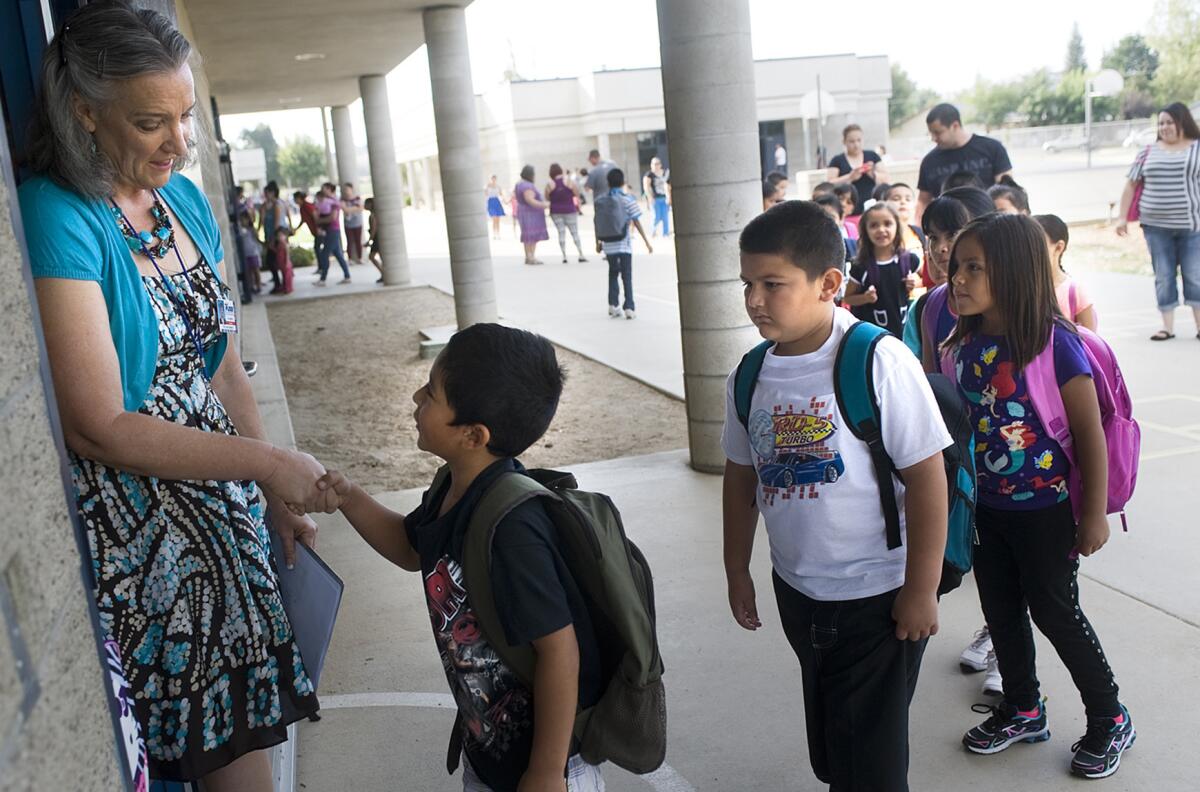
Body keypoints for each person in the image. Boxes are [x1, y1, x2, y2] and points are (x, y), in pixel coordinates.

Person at [19, 3, 326, 788]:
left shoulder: (183, 203)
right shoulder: (59, 216)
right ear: (84, 113)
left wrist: (268, 490)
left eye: (186, 115)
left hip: (223, 513)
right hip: (149, 542)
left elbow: (223, 363)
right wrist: (264, 460)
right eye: (153, 122)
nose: (181, 142)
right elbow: (97, 425)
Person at [306, 323, 605, 792]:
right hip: (488, 750)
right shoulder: (451, 485)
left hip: (545, 767)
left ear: (473, 435)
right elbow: (411, 549)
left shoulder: (512, 529)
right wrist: (349, 497)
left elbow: (559, 652)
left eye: (431, 394)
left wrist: (546, 773)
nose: (415, 397)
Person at [724, 200, 950, 792]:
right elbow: (741, 473)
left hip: (878, 596)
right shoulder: (749, 374)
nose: (753, 300)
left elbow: (928, 478)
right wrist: (736, 568)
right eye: (748, 283)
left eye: (773, 284)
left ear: (829, 284)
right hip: (797, 587)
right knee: (834, 747)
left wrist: (921, 590)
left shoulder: (878, 360)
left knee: (868, 766)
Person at [945, 214, 1134, 779]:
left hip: (1047, 511)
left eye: (973, 267)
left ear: (1017, 272)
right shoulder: (965, 344)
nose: (957, 278)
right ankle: (1023, 708)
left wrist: (1094, 513)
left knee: (1056, 612)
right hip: (989, 509)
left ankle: (1109, 717)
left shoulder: (1056, 346)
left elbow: (1089, 433)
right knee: (1000, 610)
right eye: (957, 266)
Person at [1117, 101, 1200, 341]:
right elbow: (1130, 185)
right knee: (1163, 276)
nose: (1164, 127)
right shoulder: (1147, 152)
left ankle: (1198, 326)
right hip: (1155, 226)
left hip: (1192, 226)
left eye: (1169, 122)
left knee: (1194, 275)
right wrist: (1122, 217)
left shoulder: (1196, 149)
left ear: (1182, 122)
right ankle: (1167, 327)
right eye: (1161, 123)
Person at [917, 104, 1013, 220]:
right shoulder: (929, 161)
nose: (933, 138)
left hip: (989, 222)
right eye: (931, 133)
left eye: (937, 132)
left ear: (955, 126)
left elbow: (1006, 190)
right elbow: (923, 202)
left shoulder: (992, 148)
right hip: (949, 228)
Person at [843, 203, 919, 337]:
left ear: (897, 226)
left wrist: (913, 283)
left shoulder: (908, 260)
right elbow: (848, 298)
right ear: (865, 231)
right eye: (874, 225)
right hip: (871, 335)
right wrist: (865, 298)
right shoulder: (861, 266)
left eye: (887, 224)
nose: (881, 229)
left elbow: (927, 280)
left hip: (902, 332)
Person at [595, 168, 652, 319]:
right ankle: (629, 307)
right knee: (626, 275)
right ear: (622, 182)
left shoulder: (600, 200)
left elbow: (597, 222)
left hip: (608, 245)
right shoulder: (627, 199)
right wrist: (647, 242)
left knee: (613, 273)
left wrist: (598, 242)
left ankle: (613, 305)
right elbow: (636, 221)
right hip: (624, 245)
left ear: (608, 183)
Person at [1035, 214, 1098, 331]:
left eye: (1037, 244)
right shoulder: (1021, 288)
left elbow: (1090, 343)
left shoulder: (1074, 291)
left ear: (1059, 247)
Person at [827, 124, 888, 214]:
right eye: (852, 141)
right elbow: (829, 184)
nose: (856, 145)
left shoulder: (873, 156)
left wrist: (872, 174)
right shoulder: (837, 160)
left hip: (871, 207)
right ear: (844, 142)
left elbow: (886, 179)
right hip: (847, 209)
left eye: (859, 140)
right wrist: (850, 177)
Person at [545, 163, 586, 263]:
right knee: (574, 232)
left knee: (561, 233)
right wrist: (579, 206)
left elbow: (547, 198)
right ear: (560, 171)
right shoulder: (569, 181)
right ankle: (581, 254)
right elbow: (576, 194)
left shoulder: (549, 184)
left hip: (555, 211)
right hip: (569, 210)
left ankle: (564, 256)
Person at [259, 180, 294, 294]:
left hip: (277, 236)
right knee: (274, 261)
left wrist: (272, 239)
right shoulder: (270, 205)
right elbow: (263, 221)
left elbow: (277, 223)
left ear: (272, 192)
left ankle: (283, 284)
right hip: (273, 236)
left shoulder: (277, 204)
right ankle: (281, 284)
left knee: (277, 261)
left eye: (267, 193)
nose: (265, 196)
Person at [315, 182, 351, 285]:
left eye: (324, 188)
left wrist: (319, 221)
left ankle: (323, 279)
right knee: (338, 255)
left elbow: (332, 217)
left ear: (329, 189)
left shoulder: (334, 202)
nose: (322, 191)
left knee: (324, 254)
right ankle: (347, 276)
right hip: (330, 231)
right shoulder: (328, 201)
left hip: (332, 230)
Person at [885, 183, 926, 273]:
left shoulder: (919, 233)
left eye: (908, 199)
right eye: (896, 199)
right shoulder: (883, 235)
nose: (903, 202)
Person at [515, 165, 550, 265]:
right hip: (531, 213)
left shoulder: (519, 184)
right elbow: (530, 200)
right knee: (532, 235)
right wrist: (544, 205)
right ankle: (531, 257)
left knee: (527, 235)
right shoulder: (527, 186)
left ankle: (528, 256)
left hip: (523, 212)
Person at [642, 157, 672, 237]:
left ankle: (665, 233)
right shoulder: (649, 175)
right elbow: (646, 187)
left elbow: (668, 185)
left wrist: (669, 196)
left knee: (665, 216)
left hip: (664, 197)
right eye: (654, 164)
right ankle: (653, 231)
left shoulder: (666, 173)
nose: (656, 166)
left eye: (657, 164)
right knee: (656, 216)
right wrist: (649, 197)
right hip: (655, 198)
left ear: (660, 164)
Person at [237, 209, 263, 294]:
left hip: (253, 253)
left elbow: (257, 238)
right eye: (241, 220)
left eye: (243, 219)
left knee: (256, 270)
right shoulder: (240, 230)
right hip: (246, 254)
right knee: (249, 272)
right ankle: (252, 286)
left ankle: (258, 285)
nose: (242, 221)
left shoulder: (251, 229)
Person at [341, 182, 365, 263]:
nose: (346, 191)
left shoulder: (357, 198)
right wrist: (355, 208)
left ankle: (360, 258)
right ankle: (350, 259)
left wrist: (349, 209)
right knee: (349, 241)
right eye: (345, 189)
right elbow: (345, 210)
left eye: (347, 189)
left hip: (357, 223)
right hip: (348, 224)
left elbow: (361, 208)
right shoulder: (343, 200)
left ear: (351, 189)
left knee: (358, 240)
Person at [364, 196, 384, 283]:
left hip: (377, 238)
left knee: (372, 256)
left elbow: (374, 229)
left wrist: (370, 240)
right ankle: (383, 273)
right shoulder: (373, 214)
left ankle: (383, 273)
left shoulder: (373, 215)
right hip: (377, 238)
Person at [485, 175, 506, 240]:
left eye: (494, 178)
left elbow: (501, 194)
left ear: (496, 179)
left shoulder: (498, 186)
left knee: (498, 220)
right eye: (492, 178)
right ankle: (494, 234)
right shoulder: (487, 186)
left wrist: (505, 201)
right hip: (491, 202)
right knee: (494, 219)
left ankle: (498, 234)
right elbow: (485, 194)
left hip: (497, 202)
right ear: (491, 179)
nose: (493, 180)